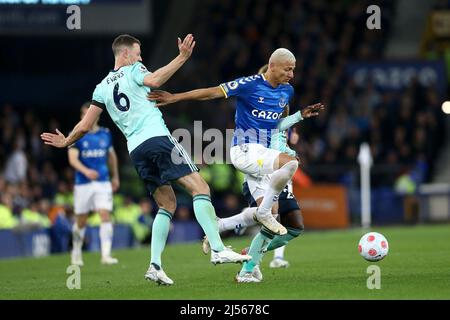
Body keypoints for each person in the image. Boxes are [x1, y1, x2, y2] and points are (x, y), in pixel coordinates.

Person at [41, 34, 250, 286]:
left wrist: (66, 142)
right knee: (200, 188)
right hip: (157, 139)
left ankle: (155, 265)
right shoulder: (134, 69)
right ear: (126, 54)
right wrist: (182, 57)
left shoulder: (102, 86)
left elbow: (85, 125)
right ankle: (217, 249)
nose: (141, 58)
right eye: (138, 53)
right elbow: (154, 79)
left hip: (135, 151)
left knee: (167, 204)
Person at [148, 48, 323, 282]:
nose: (292, 74)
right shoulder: (249, 84)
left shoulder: (286, 92)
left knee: (271, 218)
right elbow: (211, 93)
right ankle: (260, 217)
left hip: (263, 156)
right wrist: (175, 97)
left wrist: (300, 115)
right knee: (291, 164)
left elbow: (275, 126)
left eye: (293, 69)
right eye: (287, 69)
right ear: (272, 66)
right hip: (244, 151)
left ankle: (245, 268)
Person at [67, 103, 120, 266]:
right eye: (84, 114)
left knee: (105, 215)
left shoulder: (105, 134)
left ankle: (106, 255)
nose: (87, 117)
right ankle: (76, 252)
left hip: (103, 182)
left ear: (96, 115)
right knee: (81, 219)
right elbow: (72, 159)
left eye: (89, 113)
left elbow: (111, 157)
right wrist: (86, 171)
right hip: (83, 183)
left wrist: (115, 176)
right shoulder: (76, 134)